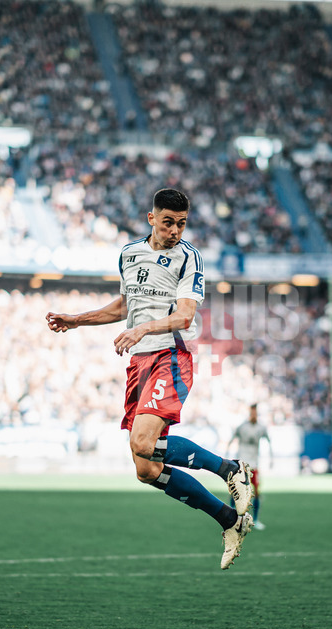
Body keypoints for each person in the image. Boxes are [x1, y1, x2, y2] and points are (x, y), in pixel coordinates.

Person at [46, 188, 255, 570]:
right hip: (139, 364)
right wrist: (77, 320)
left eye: (182, 223)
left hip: (170, 355)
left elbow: (185, 316)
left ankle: (231, 469)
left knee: (143, 442)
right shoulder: (129, 254)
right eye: (168, 222)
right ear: (151, 218)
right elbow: (126, 305)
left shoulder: (188, 257)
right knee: (145, 467)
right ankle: (230, 520)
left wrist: (143, 330)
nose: (175, 230)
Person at [227, 404, 271, 529]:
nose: (253, 415)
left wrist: (270, 459)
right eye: (252, 413)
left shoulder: (261, 428)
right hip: (241, 464)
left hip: (254, 465)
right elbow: (231, 440)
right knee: (235, 491)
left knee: (256, 492)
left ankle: (256, 520)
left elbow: (268, 441)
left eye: (255, 413)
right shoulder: (242, 427)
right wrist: (228, 457)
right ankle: (231, 519)